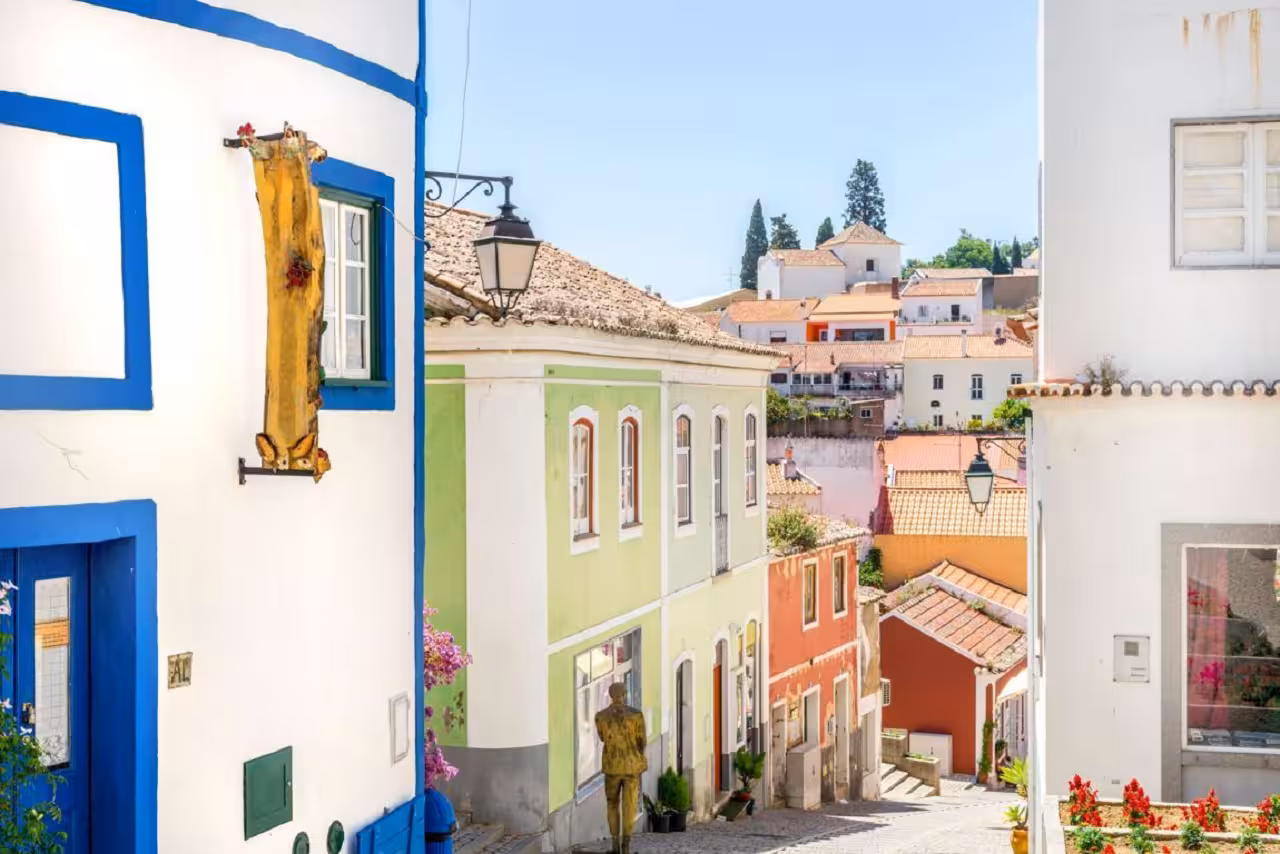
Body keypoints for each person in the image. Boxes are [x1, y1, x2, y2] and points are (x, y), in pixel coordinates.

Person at [595, 682, 648, 854]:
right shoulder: (636, 715)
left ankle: (615, 845)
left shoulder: (601, 716)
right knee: (629, 806)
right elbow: (642, 742)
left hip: (612, 767)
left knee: (612, 804)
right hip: (632, 767)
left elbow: (602, 738)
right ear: (625, 694)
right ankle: (626, 846)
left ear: (611, 695)